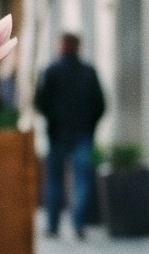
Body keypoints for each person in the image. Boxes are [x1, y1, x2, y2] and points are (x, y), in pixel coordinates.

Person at [33, 32, 108, 238]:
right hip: (82, 133)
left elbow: (40, 102)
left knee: (55, 180)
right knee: (81, 180)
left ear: (62, 46)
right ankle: (78, 224)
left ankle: (53, 225)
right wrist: (90, 125)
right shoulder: (88, 72)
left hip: (57, 134)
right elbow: (100, 104)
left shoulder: (51, 71)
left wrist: (53, 120)